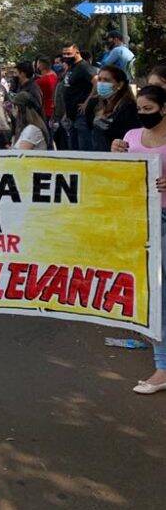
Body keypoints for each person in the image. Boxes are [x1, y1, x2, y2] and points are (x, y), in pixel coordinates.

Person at [111, 85, 166, 394]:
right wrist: (114, 156)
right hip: (140, 222)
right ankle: (162, 366)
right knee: (153, 295)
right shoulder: (131, 137)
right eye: (140, 110)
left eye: (149, 109)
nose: (143, 115)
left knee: (160, 296)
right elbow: (117, 177)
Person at [87, 66, 139, 153]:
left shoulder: (129, 107)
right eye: (99, 79)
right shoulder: (95, 104)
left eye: (106, 80)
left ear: (120, 84)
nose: (101, 83)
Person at [61, 43, 97, 151]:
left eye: (69, 53)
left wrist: (87, 101)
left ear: (77, 52)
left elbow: (97, 82)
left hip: (81, 116)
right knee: (73, 149)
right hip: (71, 115)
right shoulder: (72, 67)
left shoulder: (84, 67)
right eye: (64, 54)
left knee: (84, 150)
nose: (66, 56)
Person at [35, 57, 59, 123]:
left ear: (41, 66)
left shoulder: (40, 81)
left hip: (46, 110)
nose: (37, 66)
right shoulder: (54, 75)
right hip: (55, 108)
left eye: (38, 64)